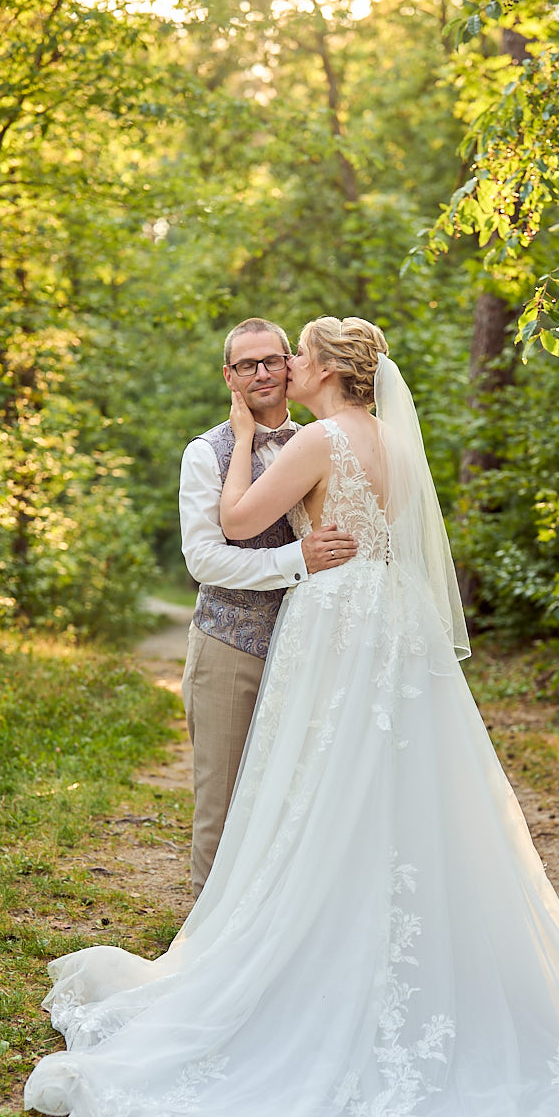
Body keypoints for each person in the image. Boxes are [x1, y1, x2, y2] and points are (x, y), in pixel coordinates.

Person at [24, 317, 559, 1117]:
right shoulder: (394, 444)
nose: (285, 366)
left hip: (336, 624)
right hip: (391, 624)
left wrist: (252, 438)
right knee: (395, 798)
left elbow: (235, 518)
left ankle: (305, 969)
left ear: (329, 370)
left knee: (320, 796)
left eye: (296, 354)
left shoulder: (321, 438)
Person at [178, 317, 356, 895]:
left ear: (290, 364)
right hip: (233, 646)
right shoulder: (206, 452)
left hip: (308, 652)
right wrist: (297, 560)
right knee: (223, 804)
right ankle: (202, 949)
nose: (261, 373)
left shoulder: (324, 439)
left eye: (272, 360)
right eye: (246, 365)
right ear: (228, 376)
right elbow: (204, 561)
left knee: (292, 804)